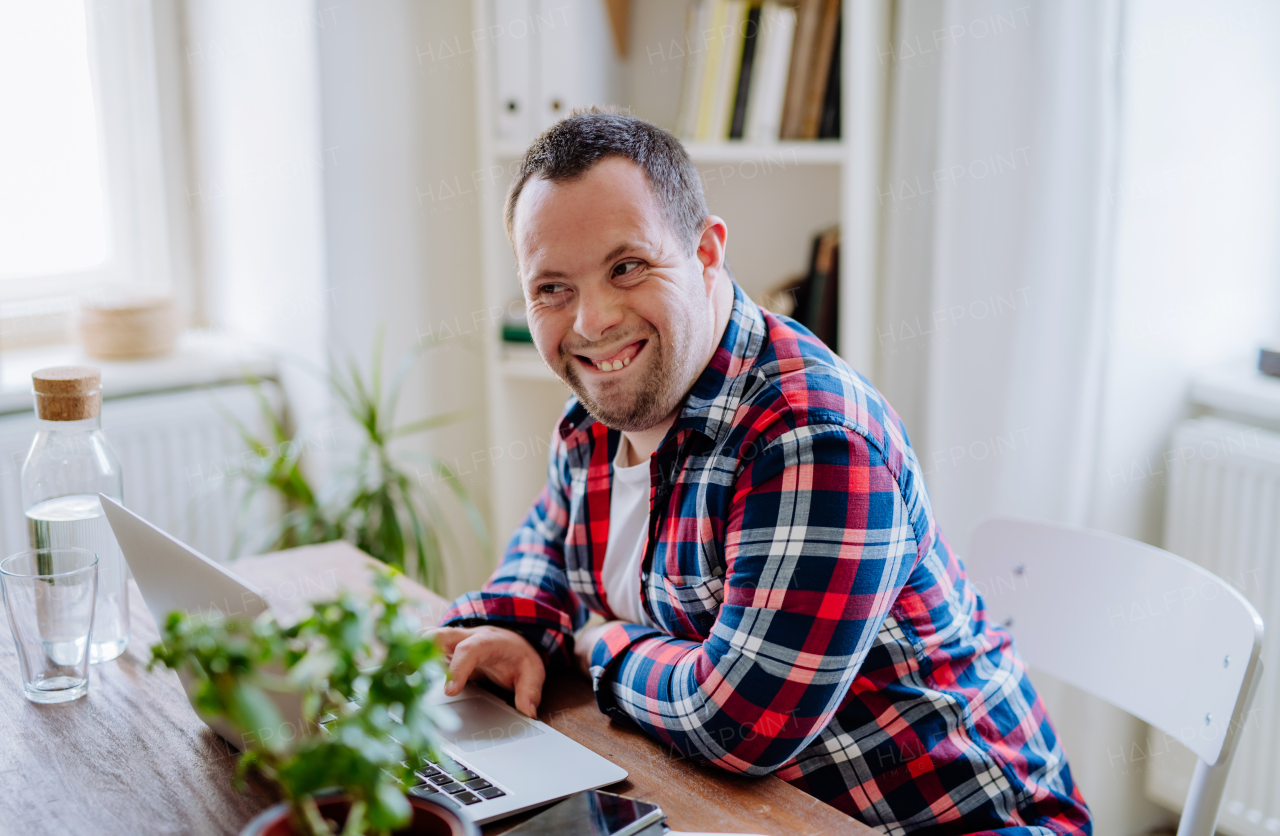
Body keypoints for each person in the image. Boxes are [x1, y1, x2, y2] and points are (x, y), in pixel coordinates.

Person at [436, 110, 1092, 834]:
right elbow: (548, 544)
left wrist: (599, 642)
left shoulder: (812, 438)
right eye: (551, 288)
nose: (591, 322)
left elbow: (737, 722)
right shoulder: (605, 407)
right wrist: (515, 626)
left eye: (627, 266)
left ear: (709, 252)